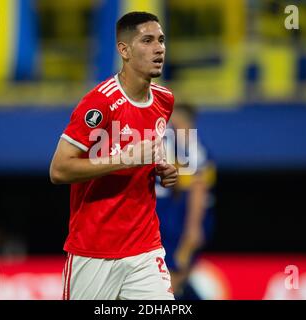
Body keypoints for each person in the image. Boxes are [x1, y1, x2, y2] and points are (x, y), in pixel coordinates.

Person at [50, 12, 178, 300]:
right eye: (147, 40)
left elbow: (145, 152)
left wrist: (161, 167)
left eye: (161, 40)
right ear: (124, 50)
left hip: (145, 248)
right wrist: (125, 159)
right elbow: (59, 170)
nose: (159, 48)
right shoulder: (100, 103)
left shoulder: (164, 100)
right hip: (94, 251)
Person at [156, 102, 217, 299]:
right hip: (177, 216)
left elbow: (198, 187)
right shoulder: (177, 145)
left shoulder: (192, 145)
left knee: (173, 277)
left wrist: (193, 226)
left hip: (187, 218)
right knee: (171, 278)